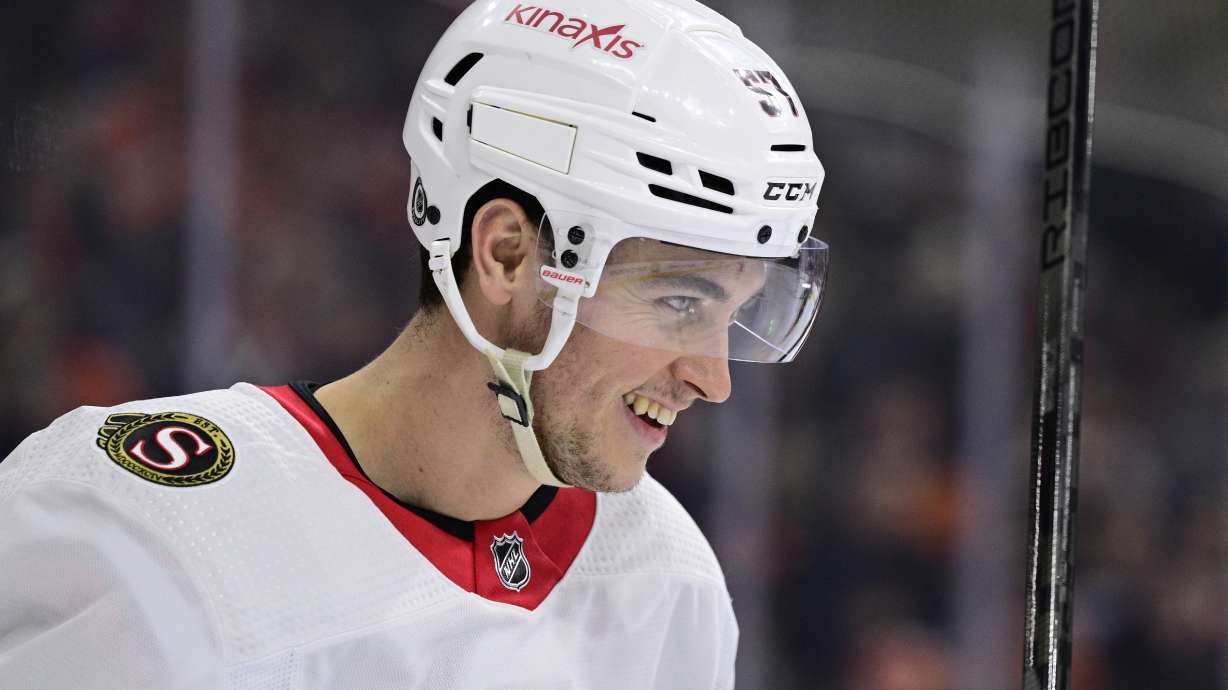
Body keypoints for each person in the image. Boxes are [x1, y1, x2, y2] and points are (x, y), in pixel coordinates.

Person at [0, 0, 828, 687]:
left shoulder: (664, 581)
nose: (713, 379)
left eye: (738, 313)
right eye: (681, 301)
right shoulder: (145, 530)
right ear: (507, 253)